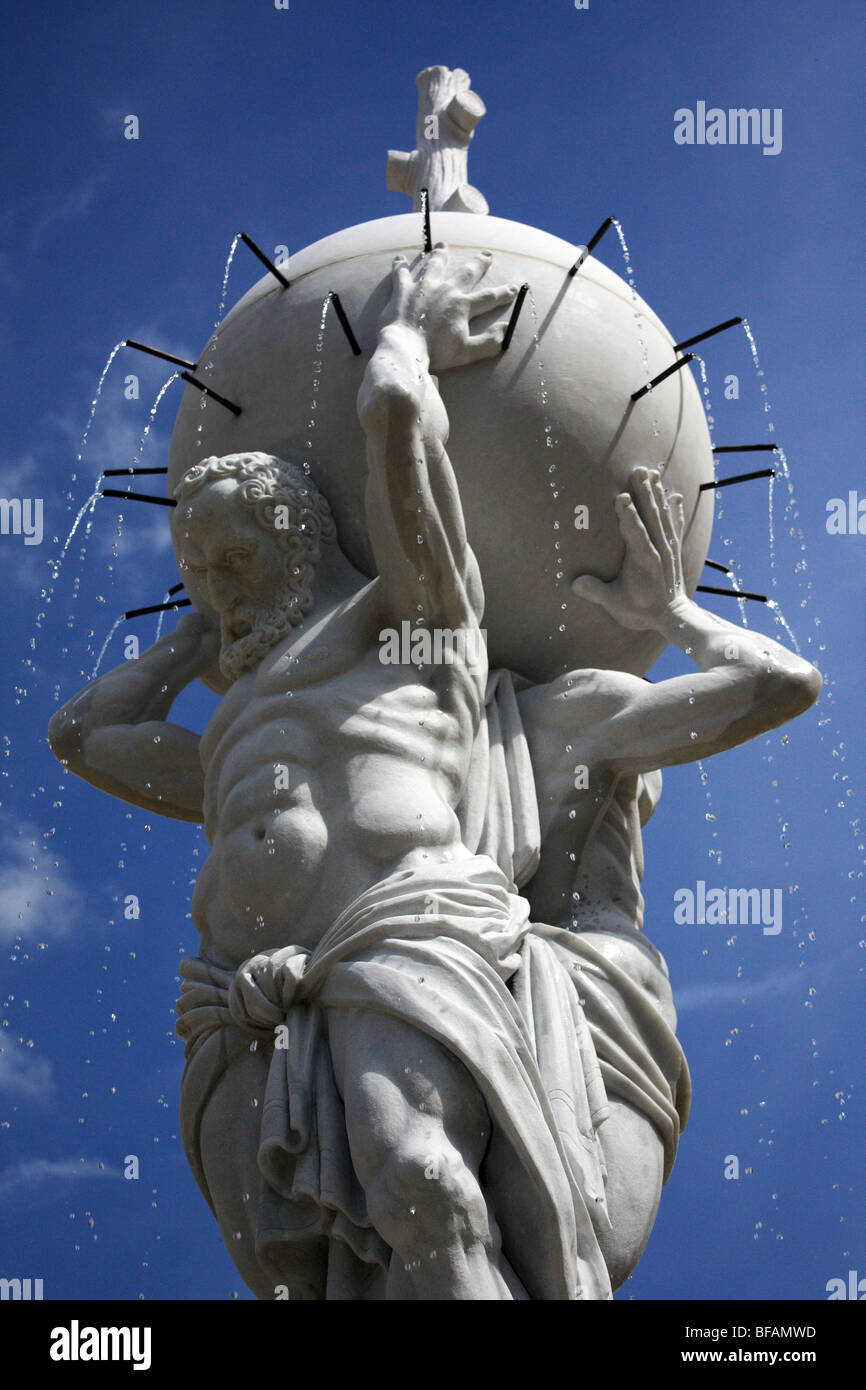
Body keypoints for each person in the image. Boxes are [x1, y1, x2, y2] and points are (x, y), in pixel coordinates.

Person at [49, 246, 821, 1299]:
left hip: (400, 950)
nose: (216, 585)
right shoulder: (232, 735)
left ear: (303, 527)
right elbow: (82, 737)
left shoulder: (416, 633)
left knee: (426, 1186)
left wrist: (400, 351)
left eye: (234, 555)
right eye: (196, 569)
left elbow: (412, 485)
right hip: (236, 1007)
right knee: (296, 1281)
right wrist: (199, 631)